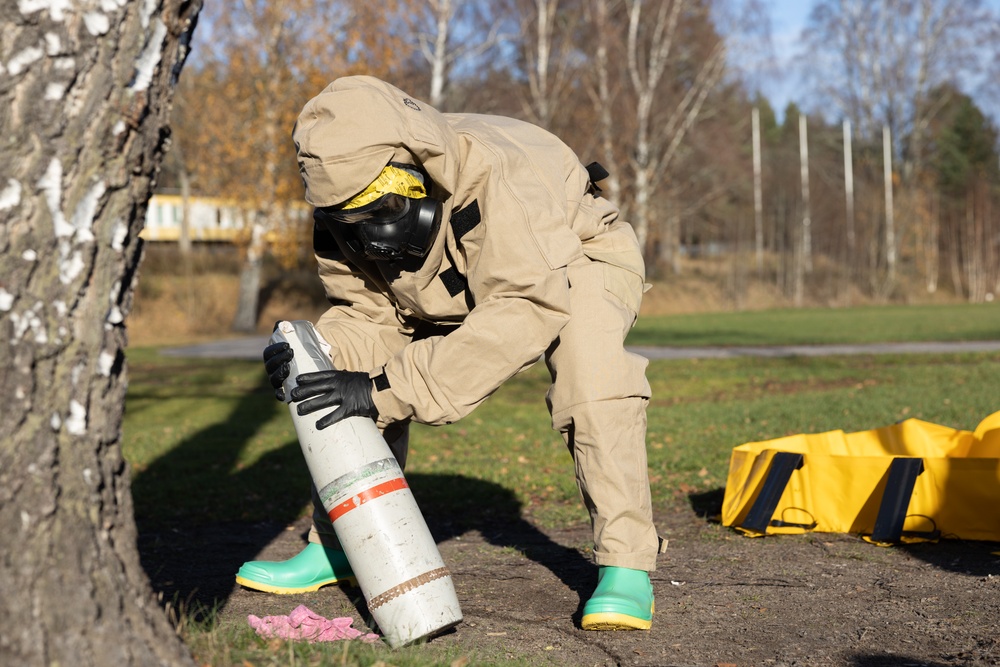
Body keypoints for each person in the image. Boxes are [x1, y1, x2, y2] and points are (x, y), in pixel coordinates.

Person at [235, 75, 665, 631]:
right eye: (348, 222)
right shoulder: (340, 216)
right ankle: (340, 546)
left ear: (414, 169)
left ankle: (627, 566)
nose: (368, 239)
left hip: (571, 262)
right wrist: (310, 352)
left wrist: (387, 391)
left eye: (379, 212)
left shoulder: (500, 175)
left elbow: (525, 305)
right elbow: (365, 315)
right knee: (337, 373)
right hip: (447, 286)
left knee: (594, 379)